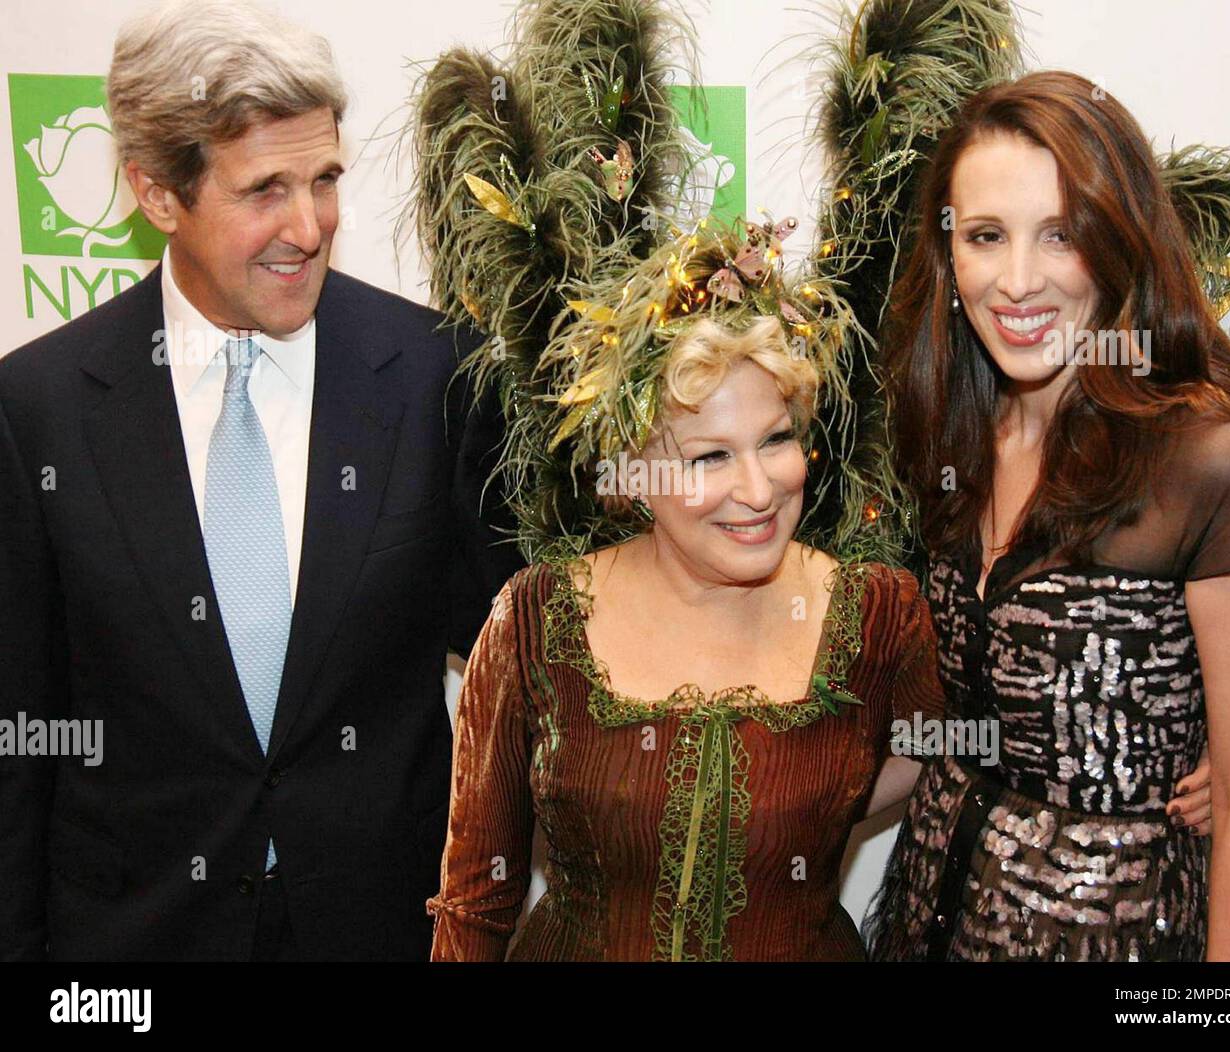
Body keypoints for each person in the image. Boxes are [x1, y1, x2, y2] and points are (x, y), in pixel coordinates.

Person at [0, 0, 518, 961]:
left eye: (323, 180)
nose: (310, 227)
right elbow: (19, 737)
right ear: (158, 194)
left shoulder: (436, 373)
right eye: (263, 190)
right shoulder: (39, 408)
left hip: (381, 932)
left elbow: (520, 652)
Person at [424, 220, 951, 961]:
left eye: (776, 439)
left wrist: (814, 804)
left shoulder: (879, 614)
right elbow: (476, 904)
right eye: (709, 457)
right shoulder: (536, 620)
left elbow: (944, 754)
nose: (759, 490)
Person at [860, 70, 1230, 961]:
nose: (1018, 281)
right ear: (951, 258)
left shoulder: (1210, 463)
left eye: (1060, 235)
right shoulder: (956, 431)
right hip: (928, 913)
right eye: (986, 236)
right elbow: (958, 713)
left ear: (1119, 241)